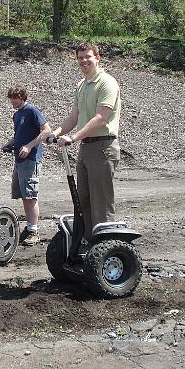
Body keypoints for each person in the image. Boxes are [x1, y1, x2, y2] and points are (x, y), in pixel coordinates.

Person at [43, 42, 121, 243]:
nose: (84, 61)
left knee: (101, 203)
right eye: (80, 58)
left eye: (88, 57)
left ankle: (106, 247)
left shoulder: (107, 83)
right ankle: (87, 245)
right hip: (86, 149)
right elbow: (75, 116)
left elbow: (101, 118)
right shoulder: (82, 85)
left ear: (97, 58)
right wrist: (56, 133)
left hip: (103, 147)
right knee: (83, 201)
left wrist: (73, 137)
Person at [4, 86, 51, 246]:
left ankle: (34, 231)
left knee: (30, 196)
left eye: (14, 99)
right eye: (10, 99)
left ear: (22, 97)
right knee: (24, 195)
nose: (12, 102)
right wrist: (11, 143)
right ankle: (30, 227)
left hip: (30, 159)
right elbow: (19, 135)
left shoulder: (31, 110)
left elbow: (46, 130)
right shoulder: (17, 114)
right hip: (19, 160)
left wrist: (29, 146)